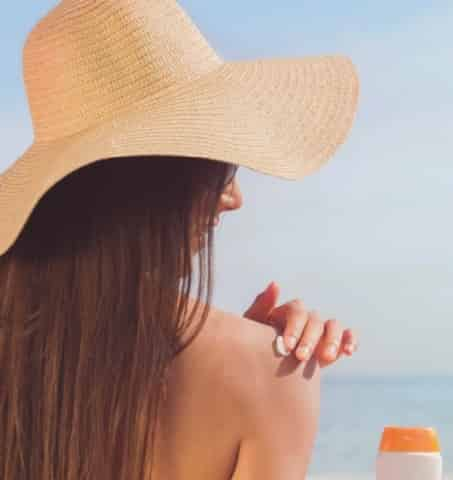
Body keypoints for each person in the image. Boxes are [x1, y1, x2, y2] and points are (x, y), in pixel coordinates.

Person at [0, 1, 360, 479]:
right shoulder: (271, 377)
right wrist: (255, 370)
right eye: (221, 167)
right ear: (159, 182)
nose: (234, 198)